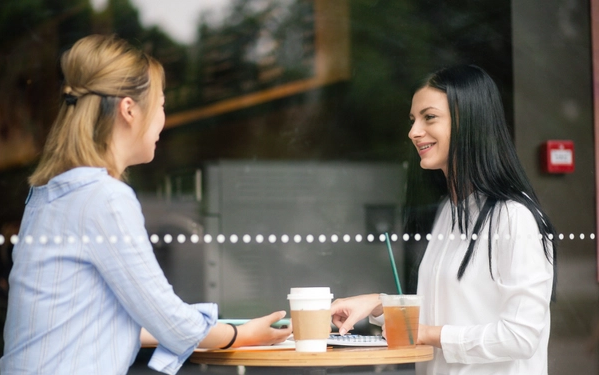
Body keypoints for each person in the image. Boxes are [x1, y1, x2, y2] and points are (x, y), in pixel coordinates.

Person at [0, 34, 292, 375]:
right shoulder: (104, 198)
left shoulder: (51, 193)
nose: (162, 120)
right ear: (129, 109)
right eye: (162, 104)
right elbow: (170, 319)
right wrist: (239, 334)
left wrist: (220, 333)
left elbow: (92, 323)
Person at [330, 65, 557, 375]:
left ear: (469, 122)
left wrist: (425, 334)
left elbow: (520, 337)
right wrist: (379, 304)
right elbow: (449, 310)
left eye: (429, 117)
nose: (413, 132)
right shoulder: (449, 211)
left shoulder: (512, 216)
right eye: (413, 120)